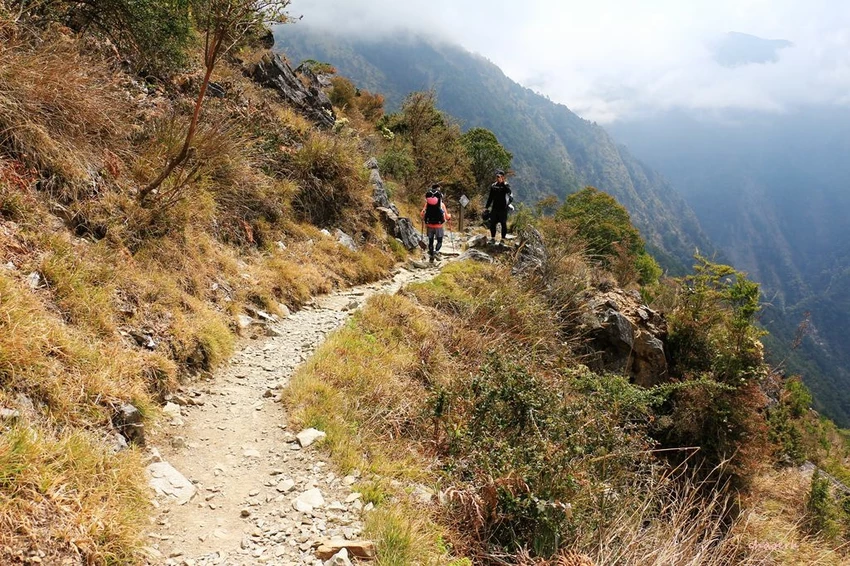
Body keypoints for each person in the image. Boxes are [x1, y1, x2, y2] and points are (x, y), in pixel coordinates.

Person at [420, 183, 451, 262]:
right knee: (439, 241)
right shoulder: (442, 205)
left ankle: (431, 255)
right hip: (439, 226)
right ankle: (436, 252)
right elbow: (446, 216)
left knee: (431, 241)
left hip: (429, 225)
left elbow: (422, 214)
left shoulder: (427, 204)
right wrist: (449, 217)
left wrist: (424, 218)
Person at [484, 169, 513, 244]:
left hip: (503, 208)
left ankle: (502, 240)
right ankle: (493, 238)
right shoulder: (493, 186)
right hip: (495, 208)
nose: (498, 178)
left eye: (499, 176)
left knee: (503, 223)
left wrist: (502, 183)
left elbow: (508, 192)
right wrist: (486, 207)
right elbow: (490, 197)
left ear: (503, 177)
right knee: (492, 223)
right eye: (497, 176)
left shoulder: (506, 185)